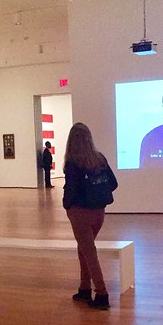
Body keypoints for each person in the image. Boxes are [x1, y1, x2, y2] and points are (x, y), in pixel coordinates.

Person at [63, 122, 118, 310]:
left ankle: (101, 294)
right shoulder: (99, 158)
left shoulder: (73, 163)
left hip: (80, 214)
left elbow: (70, 191)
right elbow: (113, 183)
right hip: (99, 213)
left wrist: (67, 206)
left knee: (89, 252)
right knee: (84, 249)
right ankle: (84, 289)